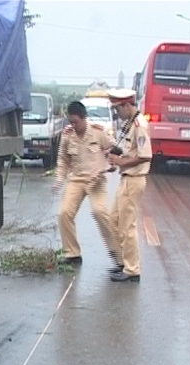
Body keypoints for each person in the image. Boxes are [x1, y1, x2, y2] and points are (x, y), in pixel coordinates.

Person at [52, 100, 117, 266]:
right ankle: (72, 253)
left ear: (84, 118)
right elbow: (63, 159)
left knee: (100, 212)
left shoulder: (98, 133)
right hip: (76, 179)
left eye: (76, 121)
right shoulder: (67, 135)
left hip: (96, 179)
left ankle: (118, 252)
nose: (74, 125)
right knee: (64, 213)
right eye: (71, 122)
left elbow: (115, 149)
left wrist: (110, 164)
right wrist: (59, 178)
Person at [105, 88, 152, 283]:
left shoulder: (139, 124)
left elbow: (145, 155)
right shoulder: (129, 123)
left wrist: (121, 162)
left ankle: (132, 270)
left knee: (127, 225)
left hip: (134, 179)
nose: (117, 112)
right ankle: (125, 263)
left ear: (126, 105)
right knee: (115, 220)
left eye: (118, 108)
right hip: (127, 178)